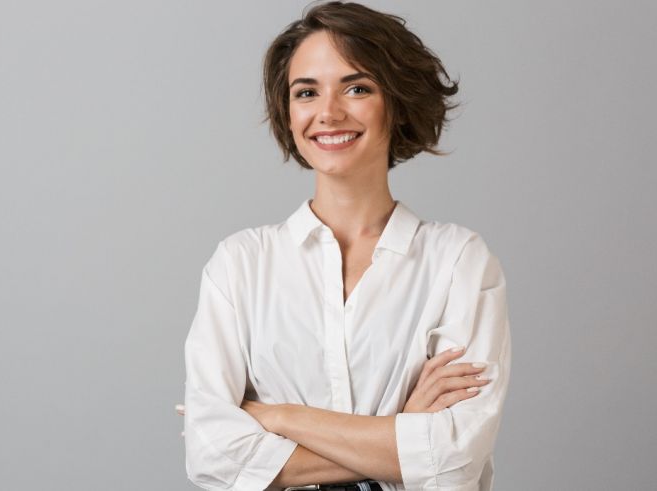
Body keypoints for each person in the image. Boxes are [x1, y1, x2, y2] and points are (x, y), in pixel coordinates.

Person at [179, 2, 511, 490]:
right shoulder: (240, 265)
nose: (328, 113)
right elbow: (212, 461)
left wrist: (278, 416)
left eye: (357, 88)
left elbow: (455, 460)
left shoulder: (457, 261)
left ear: (396, 103)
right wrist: (401, 431)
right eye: (306, 92)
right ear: (288, 112)